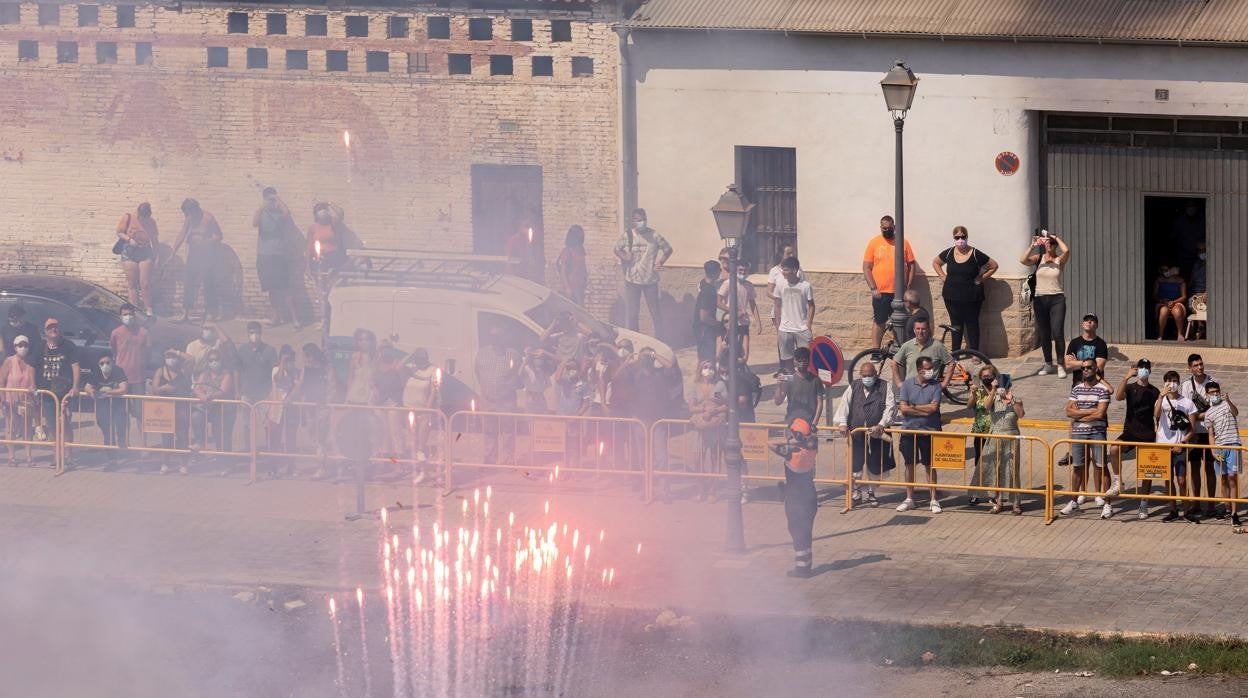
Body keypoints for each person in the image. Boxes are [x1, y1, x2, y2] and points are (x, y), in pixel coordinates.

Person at [832, 360, 897, 507]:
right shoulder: (854, 386)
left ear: (875, 374)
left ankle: (872, 493)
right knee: (855, 464)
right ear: (860, 375)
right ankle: (856, 493)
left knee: (875, 465)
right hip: (857, 433)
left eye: (870, 374)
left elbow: (891, 407)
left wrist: (882, 424)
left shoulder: (884, 386)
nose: (868, 377)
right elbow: (845, 404)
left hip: (876, 434)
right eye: (865, 375)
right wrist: (842, 423)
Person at [1059, 358, 1111, 517]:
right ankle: (1073, 501)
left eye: (1089, 367)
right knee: (1077, 467)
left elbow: (1101, 413)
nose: (1086, 370)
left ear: (1096, 369)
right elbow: (1068, 412)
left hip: (1097, 431)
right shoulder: (1076, 388)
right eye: (1083, 368)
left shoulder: (1102, 389)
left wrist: (1079, 414)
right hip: (1078, 432)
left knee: (1101, 466)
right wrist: (1090, 412)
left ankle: (1107, 503)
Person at [931, 226, 997, 352]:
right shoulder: (949, 253)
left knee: (972, 324)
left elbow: (993, 266)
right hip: (952, 296)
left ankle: (974, 353)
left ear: (967, 237)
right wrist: (942, 276)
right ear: (954, 238)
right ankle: (955, 352)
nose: (960, 240)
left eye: (963, 237)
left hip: (972, 297)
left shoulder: (976, 253)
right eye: (957, 237)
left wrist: (981, 278)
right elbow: (936, 262)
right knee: (956, 325)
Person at [768, 417, 819, 578]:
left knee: (796, 530)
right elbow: (812, 439)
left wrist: (792, 441)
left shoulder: (791, 451)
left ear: (796, 435)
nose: (788, 434)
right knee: (806, 530)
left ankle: (802, 568)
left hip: (795, 498)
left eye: (791, 432)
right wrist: (800, 440)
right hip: (810, 495)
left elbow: (770, 443)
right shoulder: (812, 447)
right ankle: (806, 565)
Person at [1145, 371, 1198, 523]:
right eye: (1169, 381)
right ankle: (1173, 509)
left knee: (1181, 479)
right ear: (1165, 382)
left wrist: (1182, 444)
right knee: (1168, 480)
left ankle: (1186, 509)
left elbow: (1192, 428)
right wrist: (1161, 396)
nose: (1172, 383)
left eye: (1175, 381)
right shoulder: (1161, 400)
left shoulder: (1188, 403)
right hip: (1163, 445)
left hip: (1179, 445)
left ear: (1179, 382)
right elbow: (1155, 415)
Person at [613, 208, 673, 335]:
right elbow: (616, 249)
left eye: (644, 219)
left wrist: (660, 262)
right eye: (639, 220)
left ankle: (660, 339)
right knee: (633, 313)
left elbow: (668, 249)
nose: (642, 222)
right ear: (633, 221)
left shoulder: (654, 235)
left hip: (650, 280)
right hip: (632, 281)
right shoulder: (627, 235)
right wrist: (625, 257)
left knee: (655, 312)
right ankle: (635, 340)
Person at [896, 356, 944, 513]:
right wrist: (923, 408)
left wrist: (913, 407)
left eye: (932, 368)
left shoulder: (935, 385)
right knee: (909, 464)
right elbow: (903, 409)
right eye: (928, 369)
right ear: (919, 370)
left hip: (929, 431)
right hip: (909, 431)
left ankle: (933, 499)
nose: (931, 371)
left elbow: (933, 409)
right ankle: (909, 498)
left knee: (930, 465)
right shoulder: (907, 385)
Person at [862, 215, 916, 349]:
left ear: (894, 227)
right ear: (880, 228)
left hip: (899, 293)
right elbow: (866, 267)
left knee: (901, 322)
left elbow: (912, 265)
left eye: (890, 228)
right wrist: (873, 288)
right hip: (881, 293)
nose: (887, 230)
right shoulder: (874, 243)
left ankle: (898, 350)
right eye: (884, 228)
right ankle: (875, 351)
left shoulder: (903, 242)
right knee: (879, 321)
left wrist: (908, 286)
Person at [1021, 230, 1070, 376]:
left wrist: (1055, 237)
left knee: (1058, 332)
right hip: (1040, 299)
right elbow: (1023, 260)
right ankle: (1048, 363)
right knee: (1044, 333)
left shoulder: (1059, 260)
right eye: (1047, 241)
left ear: (1055, 245)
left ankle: (1060, 365)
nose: (1050, 244)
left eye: (1052, 243)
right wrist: (1032, 245)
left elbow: (1066, 250)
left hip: (1057, 299)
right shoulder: (1039, 258)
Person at [253, 187, 300, 328]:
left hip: (279, 255)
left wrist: (277, 199)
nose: (270, 201)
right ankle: (276, 318)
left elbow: (287, 213)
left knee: (285, 289)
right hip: (264, 255)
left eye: (272, 198)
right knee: (271, 289)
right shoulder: (261, 212)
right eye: (268, 198)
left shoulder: (280, 213)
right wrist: (263, 206)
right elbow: (254, 223)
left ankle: (295, 319)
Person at [979, 370, 1025, 515]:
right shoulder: (994, 398)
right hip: (996, 437)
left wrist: (1011, 400)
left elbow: (1021, 414)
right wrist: (993, 390)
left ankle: (1016, 503)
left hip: (1012, 437)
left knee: (1012, 471)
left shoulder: (1016, 399)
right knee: (997, 470)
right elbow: (986, 406)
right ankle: (999, 502)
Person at [171, 198, 224, 323]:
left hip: (208, 254)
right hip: (193, 253)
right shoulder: (189, 218)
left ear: (196, 209)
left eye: (189, 213)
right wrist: (174, 251)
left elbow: (219, 236)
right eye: (186, 214)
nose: (187, 216)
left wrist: (205, 243)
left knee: (208, 283)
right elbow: (182, 234)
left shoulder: (208, 218)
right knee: (189, 283)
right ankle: (186, 313)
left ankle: (211, 313)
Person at [475, 324, 521, 465]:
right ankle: (490, 459)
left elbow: (517, 376)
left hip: (506, 400)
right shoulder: (482, 353)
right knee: (489, 430)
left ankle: (508, 459)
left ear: (504, 337)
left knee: (508, 431)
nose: (496, 339)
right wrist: (486, 389)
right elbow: (478, 372)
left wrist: (505, 388)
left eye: (499, 336)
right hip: (488, 400)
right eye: (493, 337)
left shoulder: (513, 354)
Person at [1181, 353, 1219, 518]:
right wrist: (1196, 417)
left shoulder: (1212, 382)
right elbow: (1184, 410)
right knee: (1194, 468)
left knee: (1210, 468)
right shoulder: (1186, 386)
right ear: (1190, 368)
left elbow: (1214, 409)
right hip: (1194, 433)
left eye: (1201, 364)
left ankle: (1211, 504)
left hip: (1209, 433)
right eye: (1195, 365)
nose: (1200, 367)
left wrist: (1195, 414)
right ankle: (1196, 502)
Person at [37, 317, 80, 452]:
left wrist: (75, 386)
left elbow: (76, 366)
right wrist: (33, 385)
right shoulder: (41, 346)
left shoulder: (69, 345)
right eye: (50, 328)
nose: (53, 329)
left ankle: (68, 455)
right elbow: (32, 366)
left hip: (65, 393)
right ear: (45, 331)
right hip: (48, 394)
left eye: (55, 327)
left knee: (66, 424)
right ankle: (56, 457)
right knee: (52, 426)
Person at [687, 359, 727, 502]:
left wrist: (713, 411)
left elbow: (725, 405)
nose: (708, 370)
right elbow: (691, 407)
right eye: (705, 367)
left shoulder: (719, 385)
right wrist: (704, 410)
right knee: (698, 459)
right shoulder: (695, 386)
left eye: (711, 367)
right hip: (700, 428)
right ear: (700, 369)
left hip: (715, 427)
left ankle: (713, 490)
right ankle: (701, 489)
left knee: (715, 458)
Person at [1202, 381, 1242, 527]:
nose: (1215, 394)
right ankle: (1227, 508)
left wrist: (1229, 400)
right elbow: (1211, 434)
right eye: (1212, 392)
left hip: (1234, 444)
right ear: (1207, 395)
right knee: (1224, 479)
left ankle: (1234, 513)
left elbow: (1236, 413)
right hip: (1220, 447)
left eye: (1216, 391)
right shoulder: (1208, 414)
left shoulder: (1226, 404)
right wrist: (1212, 449)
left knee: (1233, 478)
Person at [110, 303, 150, 448]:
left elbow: (147, 353)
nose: (128, 317)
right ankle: (123, 443)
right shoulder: (116, 333)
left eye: (130, 314)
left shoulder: (143, 332)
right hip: (121, 379)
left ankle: (143, 445)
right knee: (122, 414)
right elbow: (114, 353)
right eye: (125, 314)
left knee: (140, 414)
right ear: (121, 316)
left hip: (138, 378)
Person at [151, 348, 192, 474]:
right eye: (168, 356)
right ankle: (165, 464)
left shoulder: (184, 370)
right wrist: (163, 388)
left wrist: (177, 351)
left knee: (182, 436)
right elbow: (154, 389)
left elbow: (191, 359)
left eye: (173, 356)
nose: (171, 359)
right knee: (166, 437)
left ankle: (183, 464)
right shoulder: (160, 371)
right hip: (166, 408)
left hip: (181, 407)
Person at [83, 351, 129, 461]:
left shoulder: (118, 371)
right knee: (106, 430)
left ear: (112, 362)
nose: (105, 365)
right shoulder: (96, 372)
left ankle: (124, 452)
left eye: (107, 362)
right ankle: (111, 455)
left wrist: (108, 393)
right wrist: (92, 392)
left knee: (121, 429)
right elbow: (87, 387)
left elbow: (124, 388)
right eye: (102, 363)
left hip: (118, 405)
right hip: (103, 406)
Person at [772, 256, 815, 375]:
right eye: (783, 269)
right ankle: (790, 388)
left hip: (802, 329)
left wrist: (809, 324)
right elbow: (777, 305)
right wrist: (778, 325)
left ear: (795, 270)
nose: (783, 272)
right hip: (785, 329)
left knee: (806, 360)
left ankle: (806, 386)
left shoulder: (805, 286)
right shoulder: (780, 284)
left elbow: (811, 305)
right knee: (787, 361)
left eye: (786, 270)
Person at [115, 202, 159, 315]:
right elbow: (119, 232)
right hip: (129, 252)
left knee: (145, 283)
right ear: (138, 212)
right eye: (141, 217)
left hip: (145, 251)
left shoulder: (151, 222)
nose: (143, 219)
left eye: (146, 217)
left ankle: (149, 310)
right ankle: (134, 310)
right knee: (132, 284)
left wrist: (157, 256)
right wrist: (129, 239)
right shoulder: (128, 217)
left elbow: (154, 240)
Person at [0, 335, 38, 465]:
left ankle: (29, 456)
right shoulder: (9, 361)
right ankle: (11, 457)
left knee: (27, 429)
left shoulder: (31, 363)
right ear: (15, 347)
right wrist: (2, 398)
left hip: (26, 401)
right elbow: (1, 380)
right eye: (20, 345)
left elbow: (33, 383)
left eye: (25, 345)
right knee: (11, 428)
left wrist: (33, 388)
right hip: (10, 400)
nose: (23, 348)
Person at [264, 344, 299, 476]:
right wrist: (282, 363)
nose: (289, 362)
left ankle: (291, 465)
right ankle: (273, 467)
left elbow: (298, 387)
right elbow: (278, 379)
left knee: (291, 438)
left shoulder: (296, 372)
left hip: (291, 409)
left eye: (290, 359)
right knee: (274, 440)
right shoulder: (275, 370)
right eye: (286, 359)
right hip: (276, 410)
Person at [717, 262, 761, 363]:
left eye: (745, 270)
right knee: (726, 346)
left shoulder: (749, 285)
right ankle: (722, 367)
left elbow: (753, 304)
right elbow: (718, 302)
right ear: (735, 270)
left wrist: (758, 322)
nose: (743, 272)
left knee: (744, 351)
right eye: (740, 270)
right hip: (730, 321)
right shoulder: (728, 283)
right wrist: (733, 311)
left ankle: (741, 369)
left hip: (744, 321)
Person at [891, 318, 953, 388]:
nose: (920, 331)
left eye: (923, 329)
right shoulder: (907, 345)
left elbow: (951, 363)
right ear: (914, 330)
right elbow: (894, 363)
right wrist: (899, 383)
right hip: (911, 389)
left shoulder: (937, 346)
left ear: (928, 330)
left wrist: (944, 383)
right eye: (918, 329)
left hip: (930, 389)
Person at [966, 365, 997, 505]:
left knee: (994, 462)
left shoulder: (999, 391)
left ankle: (993, 493)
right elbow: (969, 405)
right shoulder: (977, 390)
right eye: (984, 376)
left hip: (994, 431)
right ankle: (977, 492)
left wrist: (993, 389)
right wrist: (972, 393)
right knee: (980, 462)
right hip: (980, 431)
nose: (986, 378)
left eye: (989, 376)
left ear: (994, 376)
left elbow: (987, 406)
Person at [773, 346, 824, 428]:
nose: (802, 363)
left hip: (809, 424)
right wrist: (779, 386)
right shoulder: (789, 379)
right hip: (791, 423)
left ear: (808, 361)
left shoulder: (816, 380)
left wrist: (814, 424)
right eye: (799, 360)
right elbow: (778, 402)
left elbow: (820, 403)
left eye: (804, 360)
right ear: (795, 361)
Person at [1064, 313, 1108, 386]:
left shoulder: (1101, 344)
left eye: (1092, 320)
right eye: (1086, 320)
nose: (1089, 322)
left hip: (1096, 386)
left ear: (1097, 326)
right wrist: (1090, 364)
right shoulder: (1074, 342)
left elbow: (1099, 367)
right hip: (1077, 385)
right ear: (1082, 324)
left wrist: (1076, 363)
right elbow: (1068, 365)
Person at [693, 260, 723, 364]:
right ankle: (705, 379)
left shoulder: (703, 283)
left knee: (704, 358)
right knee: (707, 360)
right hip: (704, 329)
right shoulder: (708, 291)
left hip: (701, 328)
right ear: (716, 272)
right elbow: (703, 316)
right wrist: (718, 324)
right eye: (720, 270)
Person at [306, 202, 348, 274]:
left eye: (323, 210)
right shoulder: (313, 228)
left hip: (333, 256)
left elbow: (340, 213)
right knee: (320, 279)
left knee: (332, 279)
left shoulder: (333, 224)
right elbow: (309, 248)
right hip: (319, 259)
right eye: (319, 210)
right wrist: (307, 266)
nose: (322, 212)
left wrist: (329, 204)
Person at [555, 225, 589, 306]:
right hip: (572, 287)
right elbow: (563, 270)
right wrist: (567, 288)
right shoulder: (567, 251)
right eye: (580, 234)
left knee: (580, 309)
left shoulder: (580, 250)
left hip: (580, 286)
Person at [1152, 265, 1187, 341]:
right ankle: (1160, 334)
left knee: (1177, 311)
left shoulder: (1180, 281)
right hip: (1163, 302)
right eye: (1163, 270)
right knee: (1163, 311)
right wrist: (1162, 301)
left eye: (1166, 270)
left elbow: (1184, 297)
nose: (1165, 272)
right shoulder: (1159, 280)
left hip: (1176, 302)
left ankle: (1180, 334)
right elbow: (1154, 295)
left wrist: (1174, 302)